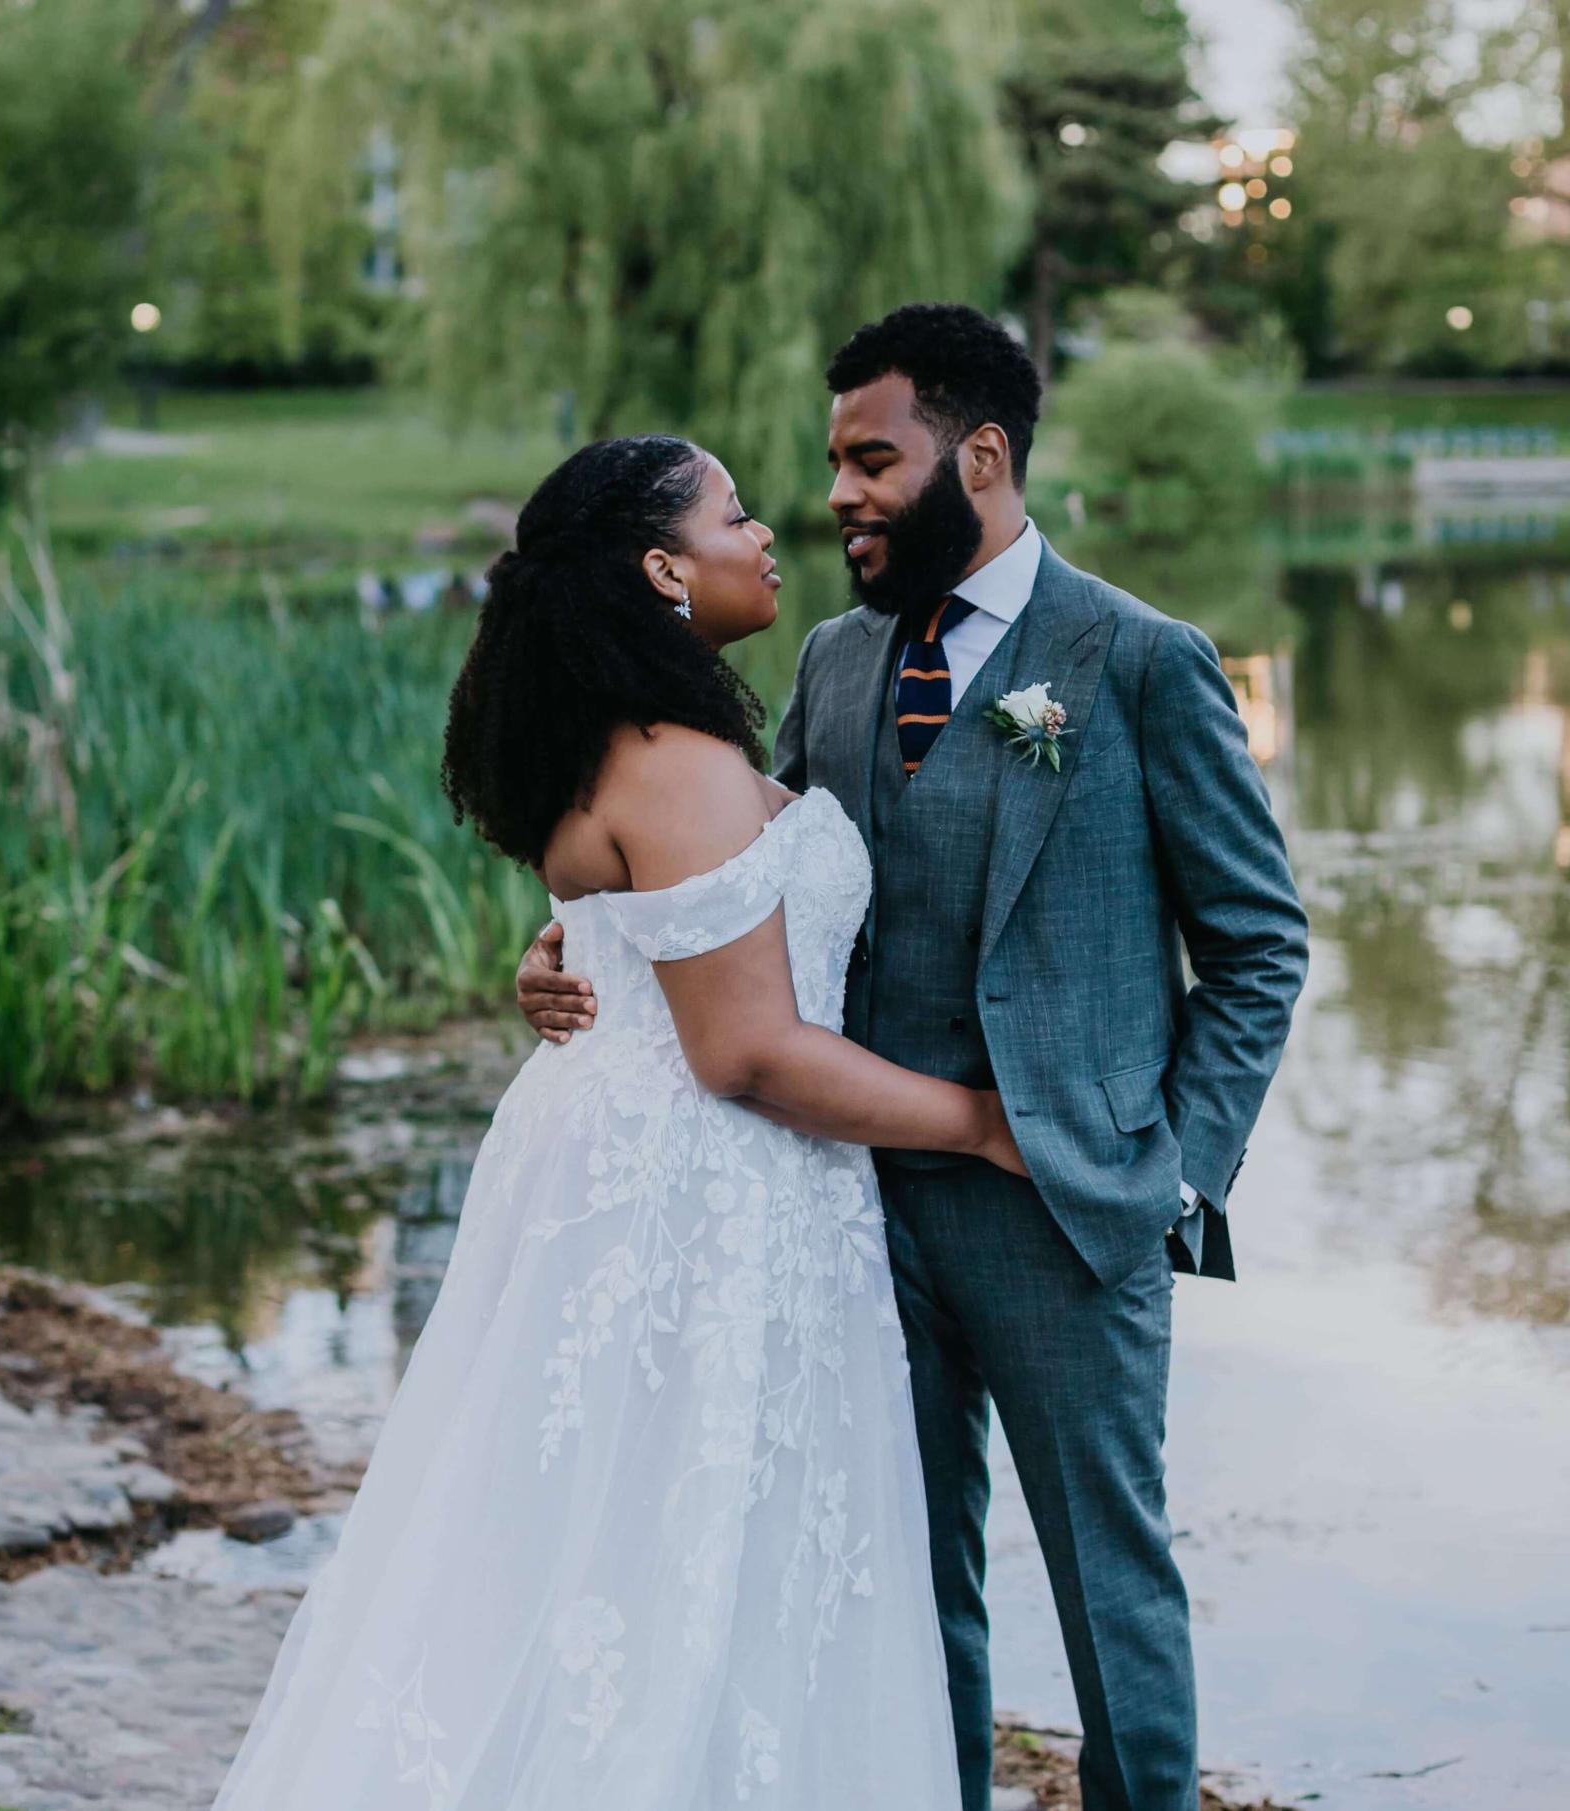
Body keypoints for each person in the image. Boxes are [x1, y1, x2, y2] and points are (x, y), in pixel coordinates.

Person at [520, 304, 1311, 1811]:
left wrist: (1172, 1173)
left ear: (985, 455)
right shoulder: (832, 658)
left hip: (1072, 1213)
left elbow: (1260, 945)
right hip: (851, 1207)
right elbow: (746, 890)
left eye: (872, 460)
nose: (838, 496)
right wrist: (581, 943)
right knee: (899, 1579)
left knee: (1113, 1589)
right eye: (830, 464)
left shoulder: (1139, 659)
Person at [209, 430, 1029, 1811]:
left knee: (601, 1540)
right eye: (734, 514)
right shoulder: (678, 762)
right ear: (663, 567)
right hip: (705, 1196)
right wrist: (988, 1124)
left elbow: (633, 921)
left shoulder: (621, 747)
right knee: (687, 1552)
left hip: (617, 1163)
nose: (769, 531)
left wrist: (562, 946)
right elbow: (749, 1052)